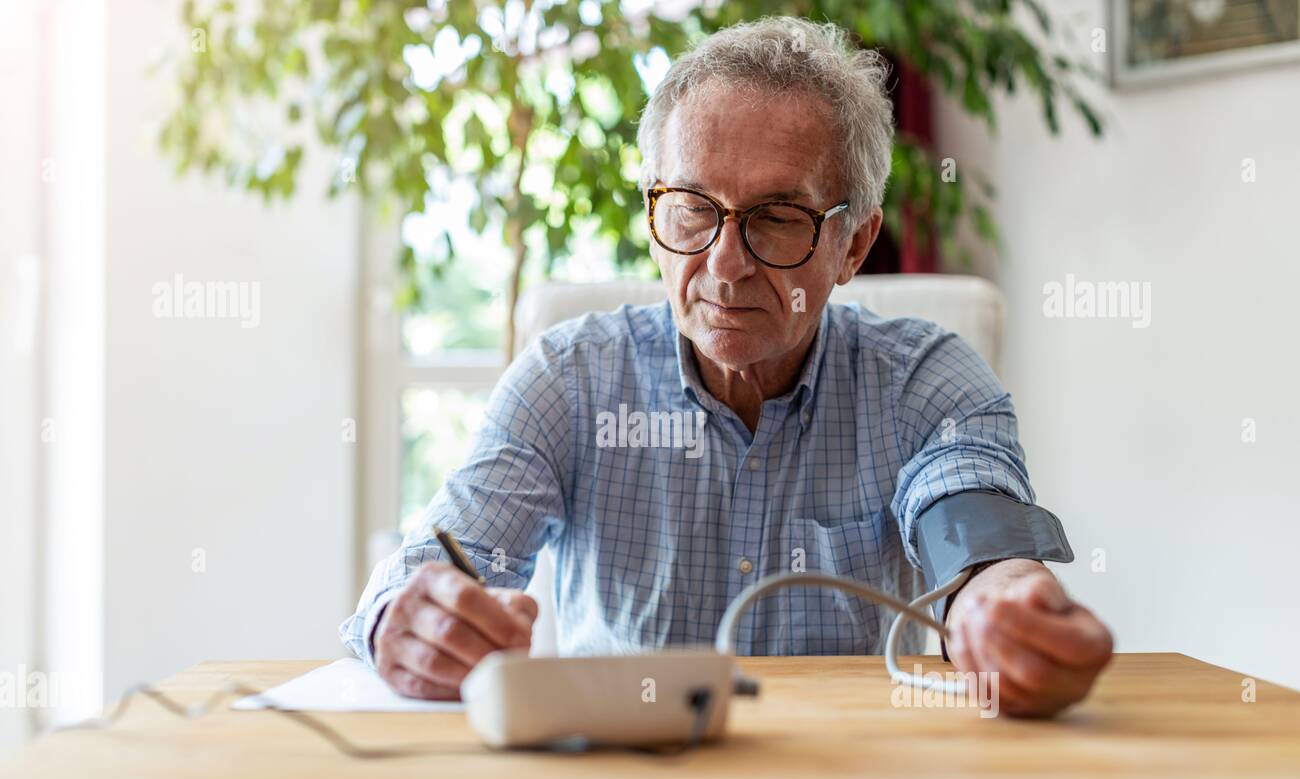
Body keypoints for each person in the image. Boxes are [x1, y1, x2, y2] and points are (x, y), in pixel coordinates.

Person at [341, 16, 1112, 717]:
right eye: (692, 207)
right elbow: (434, 565)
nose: (725, 264)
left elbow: (977, 544)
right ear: (652, 211)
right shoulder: (570, 379)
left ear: (855, 244)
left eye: (777, 220)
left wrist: (998, 606)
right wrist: (408, 619)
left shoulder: (925, 382)